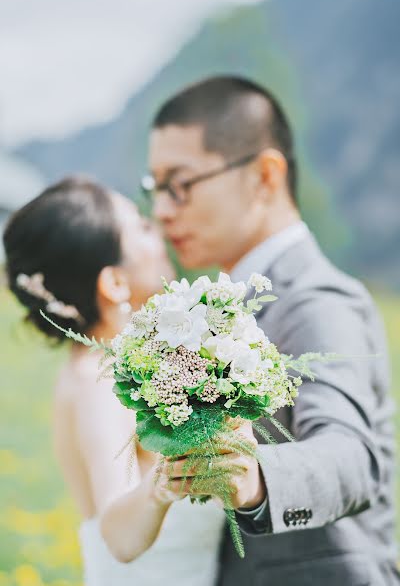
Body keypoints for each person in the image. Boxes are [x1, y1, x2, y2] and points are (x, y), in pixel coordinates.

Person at [145, 76, 399, 585]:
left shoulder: (317, 298)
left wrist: (254, 476)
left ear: (264, 175)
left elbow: (350, 454)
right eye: (154, 189)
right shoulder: (217, 304)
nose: (162, 211)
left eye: (181, 184)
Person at [3, 177, 225, 586]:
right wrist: (169, 478)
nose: (158, 231)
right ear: (114, 283)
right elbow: (118, 533)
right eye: (141, 226)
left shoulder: (117, 368)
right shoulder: (98, 383)